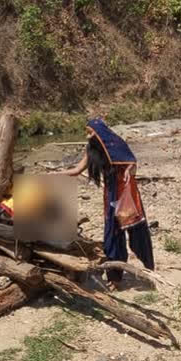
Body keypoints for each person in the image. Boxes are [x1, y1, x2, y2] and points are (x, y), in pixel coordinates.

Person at [58, 118, 155, 290]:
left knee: (136, 230)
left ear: (98, 132)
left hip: (126, 194)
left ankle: (149, 267)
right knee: (112, 235)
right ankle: (115, 277)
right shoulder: (91, 149)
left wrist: (129, 171)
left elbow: (132, 163)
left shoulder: (116, 143)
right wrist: (56, 175)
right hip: (110, 195)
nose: (87, 136)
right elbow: (76, 170)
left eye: (89, 132)